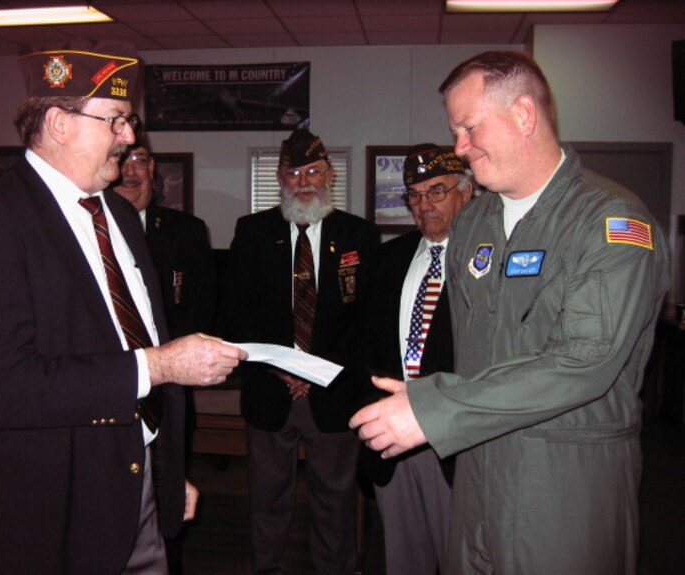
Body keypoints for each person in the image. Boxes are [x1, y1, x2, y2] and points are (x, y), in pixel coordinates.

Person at [349, 50, 670, 574]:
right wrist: (424, 395)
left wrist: (434, 408)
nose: (460, 146)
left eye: (469, 128)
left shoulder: (610, 222)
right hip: (475, 468)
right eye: (455, 131)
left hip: (563, 477)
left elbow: (582, 363)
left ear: (524, 114)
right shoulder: (474, 224)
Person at [0, 41, 246, 575]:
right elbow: (4, 388)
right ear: (58, 123)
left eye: (129, 122)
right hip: (51, 510)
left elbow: (132, 335)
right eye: (117, 120)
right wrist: (163, 364)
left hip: (138, 481)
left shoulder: (120, 217)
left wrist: (165, 471)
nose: (130, 136)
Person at [223, 127, 380, 574]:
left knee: (335, 502)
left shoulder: (359, 236)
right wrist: (284, 369)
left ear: (329, 174)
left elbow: (366, 322)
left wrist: (312, 373)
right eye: (294, 172)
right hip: (270, 393)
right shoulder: (252, 232)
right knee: (267, 503)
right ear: (280, 178)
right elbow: (237, 313)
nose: (304, 181)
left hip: (333, 395)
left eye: (313, 171)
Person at [355, 144, 472, 575]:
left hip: (457, 443)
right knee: (404, 560)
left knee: (459, 557)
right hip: (394, 442)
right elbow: (367, 342)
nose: (424, 206)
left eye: (436, 191)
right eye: (415, 195)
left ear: (466, 191)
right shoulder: (390, 257)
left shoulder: (488, 259)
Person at [111, 133, 218, 575]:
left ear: (154, 169)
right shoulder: (95, 232)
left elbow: (202, 308)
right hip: (112, 392)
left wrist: (165, 361)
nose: (132, 170)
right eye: (124, 159)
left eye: (142, 159)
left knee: (170, 497)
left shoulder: (185, 232)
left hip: (170, 393)